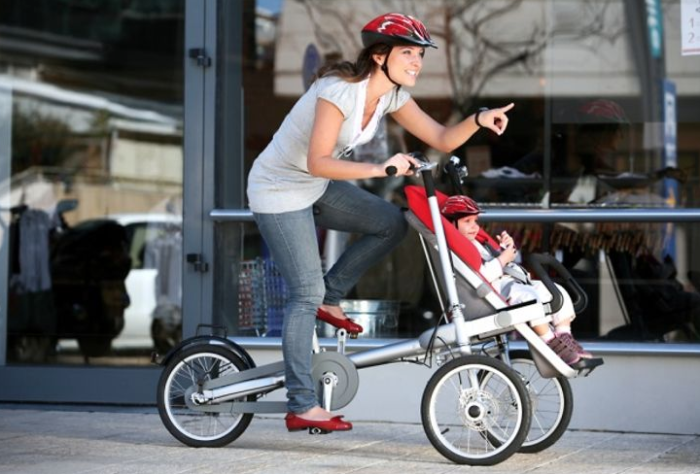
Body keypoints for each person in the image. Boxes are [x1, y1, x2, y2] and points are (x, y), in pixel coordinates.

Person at [246, 12, 514, 434]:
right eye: (408, 53)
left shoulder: (390, 96)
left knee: (392, 223)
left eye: (420, 55)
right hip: (278, 191)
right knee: (304, 293)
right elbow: (319, 160)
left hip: (315, 186)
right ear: (379, 54)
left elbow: (441, 138)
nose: (416, 63)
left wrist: (478, 119)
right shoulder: (339, 92)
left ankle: (330, 295)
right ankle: (301, 403)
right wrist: (383, 168)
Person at [440, 195, 592, 366]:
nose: (474, 227)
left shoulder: (474, 243)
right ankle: (551, 342)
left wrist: (503, 251)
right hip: (490, 295)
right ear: (451, 224)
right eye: (467, 221)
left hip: (507, 284)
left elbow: (496, 264)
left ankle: (564, 336)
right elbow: (481, 277)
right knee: (530, 299)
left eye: (475, 221)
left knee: (556, 290)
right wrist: (503, 259)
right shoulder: (455, 250)